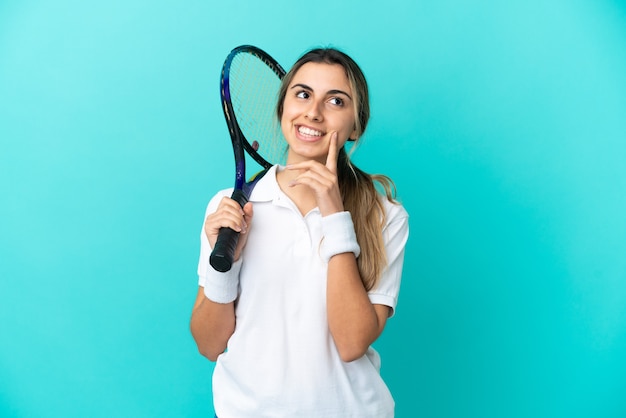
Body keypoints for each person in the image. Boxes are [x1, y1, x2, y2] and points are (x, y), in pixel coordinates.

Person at [190, 47, 409, 417]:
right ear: (283, 107)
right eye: (303, 94)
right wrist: (224, 267)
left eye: (336, 101)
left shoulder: (383, 215)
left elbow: (352, 342)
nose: (313, 112)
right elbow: (210, 344)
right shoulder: (230, 207)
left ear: (356, 125)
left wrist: (335, 215)